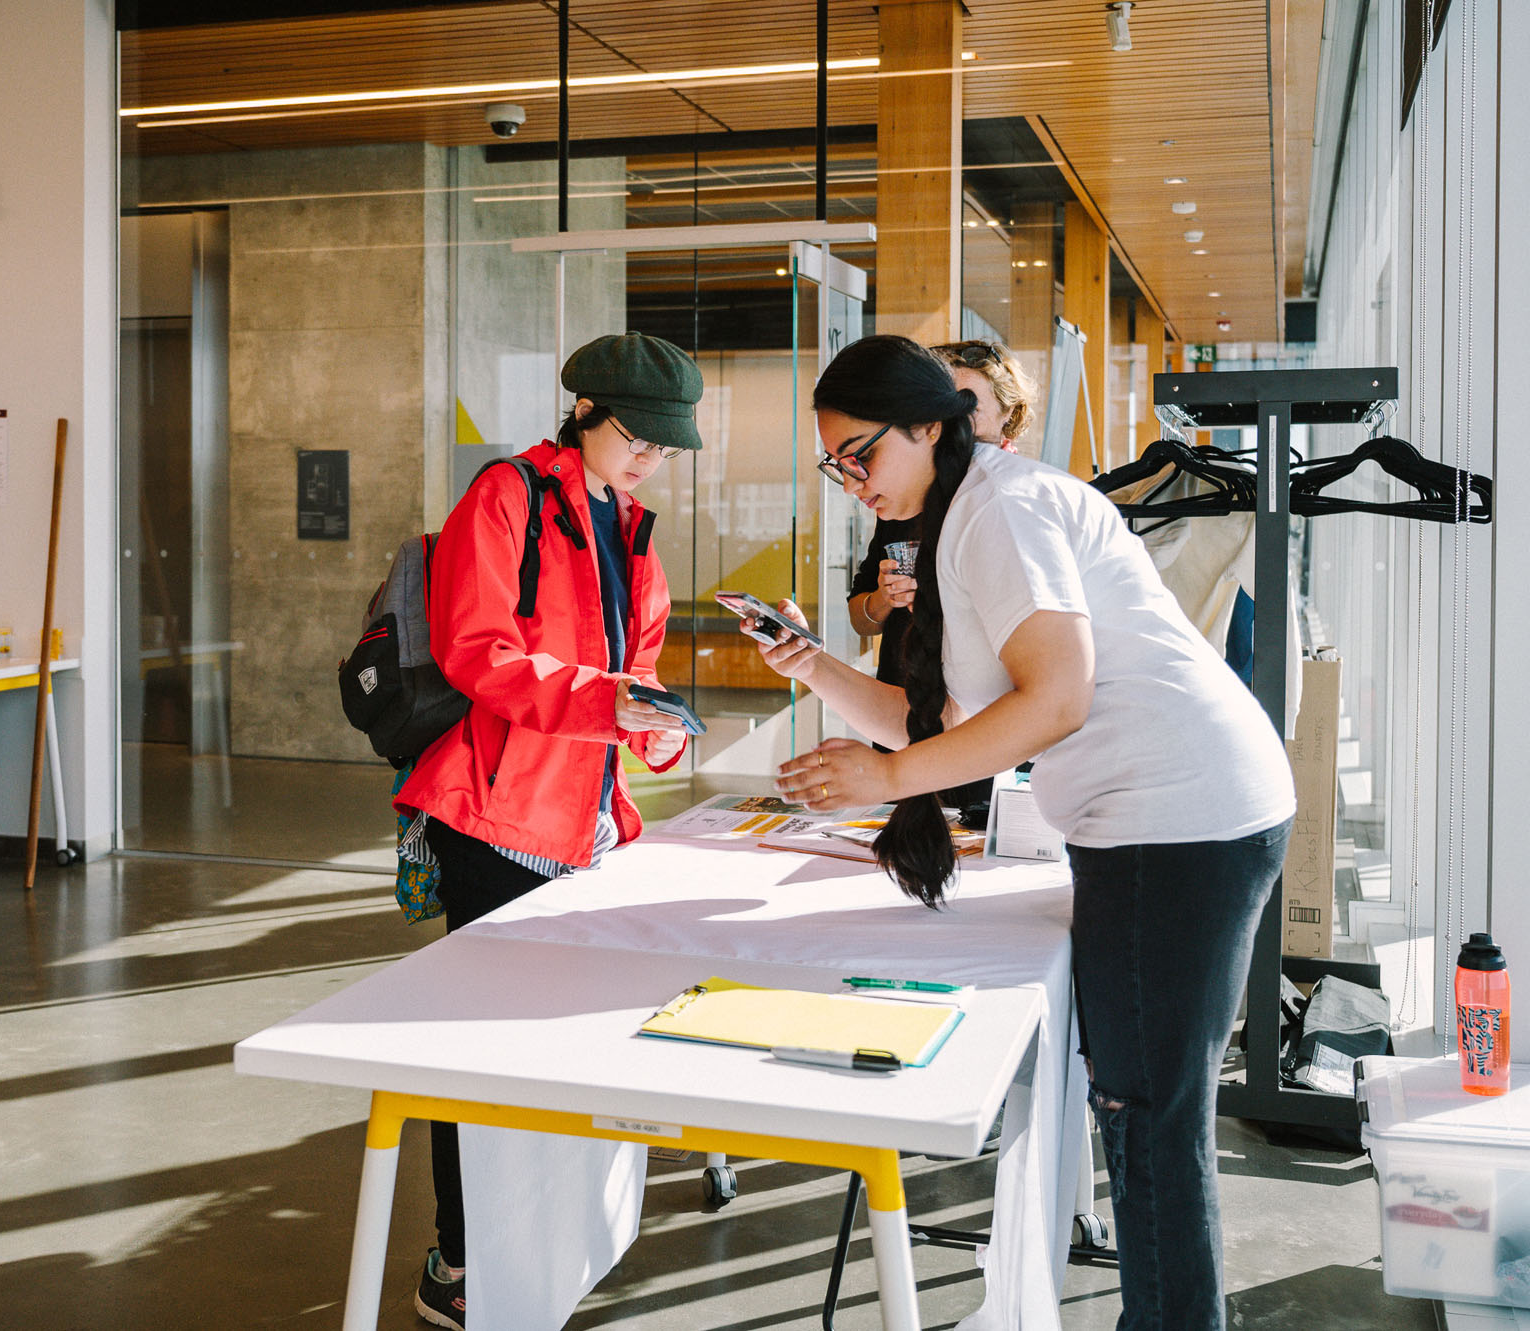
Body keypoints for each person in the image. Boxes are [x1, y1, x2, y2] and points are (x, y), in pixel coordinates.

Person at [751, 335, 1292, 1331]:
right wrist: (816, 668)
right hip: (1170, 812)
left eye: (859, 453)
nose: (851, 480)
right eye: (834, 465)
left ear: (925, 424)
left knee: (1146, 1112)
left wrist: (889, 778)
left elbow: (1053, 700)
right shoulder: (969, 512)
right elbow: (952, 717)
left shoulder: (998, 510)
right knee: (1141, 1104)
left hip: (1174, 818)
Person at [394, 331, 699, 1330]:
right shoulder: (507, 496)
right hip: (493, 815)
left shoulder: (634, 528)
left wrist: (656, 734)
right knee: (479, 1051)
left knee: (562, 1046)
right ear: (584, 412)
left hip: (588, 821)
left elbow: (637, 672)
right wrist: (614, 704)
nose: (650, 455)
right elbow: (476, 653)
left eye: (665, 443)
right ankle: (457, 1259)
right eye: (637, 437)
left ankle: (538, 1238)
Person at [846, 337, 1037, 812]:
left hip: (994, 732)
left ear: (1006, 418)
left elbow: (1052, 696)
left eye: (967, 405)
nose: (950, 419)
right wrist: (883, 601)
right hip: (911, 701)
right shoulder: (902, 501)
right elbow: (860, 616)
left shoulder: (1004, 503)